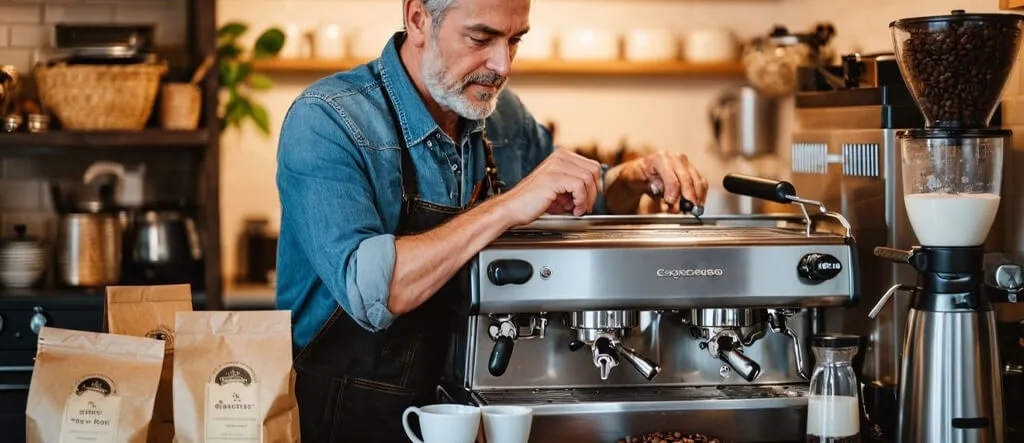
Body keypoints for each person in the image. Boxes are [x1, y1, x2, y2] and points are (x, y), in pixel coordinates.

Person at [275, 0, 708, 440]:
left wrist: (629, 180)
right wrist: (508, 206)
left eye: (515, 40)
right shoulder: (328, 120)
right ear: (418, 18)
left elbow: (576, 199)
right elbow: (375, 291)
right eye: (481, 39)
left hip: (470, 410)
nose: (503, 65)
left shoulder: (503, 117)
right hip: (344, 421)